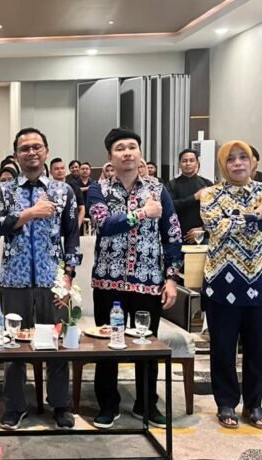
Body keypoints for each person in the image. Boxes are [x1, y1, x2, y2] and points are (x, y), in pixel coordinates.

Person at [87, 128, 182, 429]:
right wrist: (142, 213)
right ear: (110, 157)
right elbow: (103, 224)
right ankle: (108, 405)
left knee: (146, 346)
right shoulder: (98, 189)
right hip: (108, 282)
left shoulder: (158, 189)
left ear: (140, 154)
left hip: (148, 280)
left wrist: (171, 278)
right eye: (120, 148)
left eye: (132, 147)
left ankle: (147, 404)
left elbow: (172, 234)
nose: (127, 152)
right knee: (107, 346)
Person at [0, 128, 81, 430]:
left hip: (52, 281)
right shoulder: (3, 191)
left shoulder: (63, 191)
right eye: (24, 148)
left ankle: (60, 405)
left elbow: (72, 236)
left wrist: (68, 276)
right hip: (13, 281)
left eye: (36, 147)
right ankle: (16, 406)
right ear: (16, 154)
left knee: (56, 344)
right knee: (13, 346)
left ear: (46, 151)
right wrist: (29, 213)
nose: (31, 152)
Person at [200, 140, 262, 430]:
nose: (238, 163)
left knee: (258, 347)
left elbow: (228, 224)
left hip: (258, 280)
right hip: (221, 283)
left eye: (243, 158)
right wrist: (253, 218)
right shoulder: (211, 194)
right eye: (231, 159)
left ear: (252, 162)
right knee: (223, 347)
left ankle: (255, 404)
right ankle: (226, 402)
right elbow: (215, 226)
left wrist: (234, 218)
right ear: (223, 165)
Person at [166, 149, 214, 244]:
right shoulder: (171, 185)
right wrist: (194, 197)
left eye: (191, 160)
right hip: (178, 236)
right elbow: (170, 206)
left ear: (197, 164)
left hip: (203, 235)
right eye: (184, 161)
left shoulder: (207, 184)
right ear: (179, 164)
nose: (188, 163)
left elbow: (214, 211)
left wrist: (203, 229)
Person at [50, 157, 85, 229]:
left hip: (71, 226)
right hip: (53, 227)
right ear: (51, 172)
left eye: (62, 168)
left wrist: (76, 228)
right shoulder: (47, 188)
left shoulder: (74, 187)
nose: (60, 171)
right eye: (56, 169)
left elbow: (82, 209)